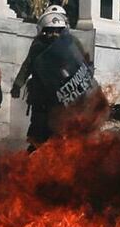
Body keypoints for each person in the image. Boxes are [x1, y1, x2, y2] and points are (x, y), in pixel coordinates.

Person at [10, 11, 90, 151]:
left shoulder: (71, 43)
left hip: (64, 97)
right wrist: (18, 84)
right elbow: (28, 64)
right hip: (41, 98)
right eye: (50, 31)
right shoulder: (37, 45)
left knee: (64, 134)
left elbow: (82, 63)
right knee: (38, 136)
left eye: (57, 31)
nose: (53, 34)